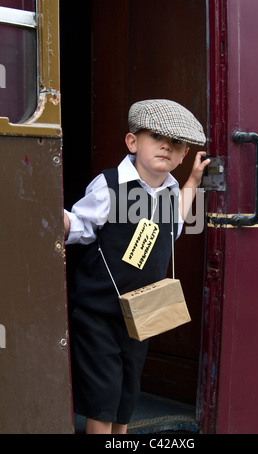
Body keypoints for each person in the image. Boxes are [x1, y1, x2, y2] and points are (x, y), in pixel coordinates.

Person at [64, 99, 210, 434]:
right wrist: (60, 220)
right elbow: (82, 225)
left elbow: (179, 214)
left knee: (128, 390)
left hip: (142, 311)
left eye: (176, 143)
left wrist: (194, 181)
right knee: (104, 393)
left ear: (183, 154)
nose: (166, 146)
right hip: (99, 311)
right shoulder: (110, 184)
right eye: (157, 136)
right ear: (132, 142)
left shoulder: (172, 190)